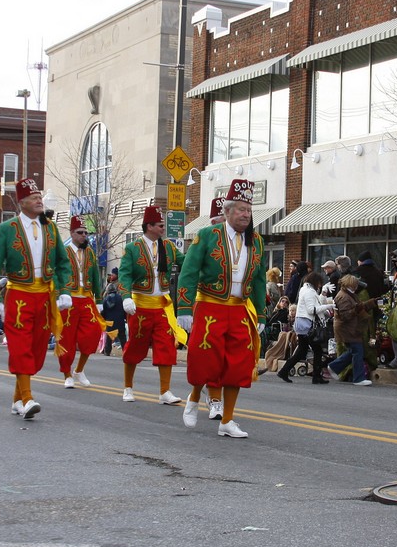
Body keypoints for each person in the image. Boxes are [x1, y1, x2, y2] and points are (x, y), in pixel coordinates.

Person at [176, 179, 267, 437]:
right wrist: (183, 308)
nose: (246, 215)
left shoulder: (256, 241)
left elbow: (259, 279)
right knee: (205, 360)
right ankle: (194, 397)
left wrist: (260, 313)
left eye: (249, 210)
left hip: (239, 309)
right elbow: (188, 272)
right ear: (226, 212)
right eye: (241, 209)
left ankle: (227, 420)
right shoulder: (207, 236)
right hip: (210, 306)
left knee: (238, 365)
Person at [0, 177, 73, 419]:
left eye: (39, 197)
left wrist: (64, 290)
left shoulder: (50, 228)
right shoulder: (6, 229)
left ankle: (16, 399)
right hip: (19, 295)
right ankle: (28, 398)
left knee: (37, 348)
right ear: (22, 202)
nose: (39, 200)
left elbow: (63, 263)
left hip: (44, 296)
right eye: (34, 198)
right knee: (20, 346)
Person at [118, 205, 187, 404]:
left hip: (163, 307)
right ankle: (128, 387)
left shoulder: (169, 247)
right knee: (135, 347)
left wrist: (201, 261)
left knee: (166, 347)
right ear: (149, 226)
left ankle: (165, 391)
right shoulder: (132, 249)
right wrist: (125, 297)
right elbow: (124, 274)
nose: (163, 228)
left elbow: (186, 262)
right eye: (160, 225)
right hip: (140, 306)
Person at [56, 215, 105, 389]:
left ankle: (79, 369)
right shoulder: (62, 251)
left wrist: (99, 299)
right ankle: (67, 374)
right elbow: (56, 275)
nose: (84, 235)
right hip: (68, 300)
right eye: (80, 232)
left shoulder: (90, 252)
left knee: (92, 335)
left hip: (86, 300)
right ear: (72, 233)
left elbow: (96, 278)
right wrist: (58, 296)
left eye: (86, 232)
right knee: (66, 339)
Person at [274, 271, 335, 384]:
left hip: (301, 323)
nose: (320, 285)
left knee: (302, 350)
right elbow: (312, 310)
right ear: (315, 282)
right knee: (316, 350)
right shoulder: (309, 292)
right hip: (306, 324)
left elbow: (314, 305)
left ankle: (284, 371)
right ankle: (316, 376)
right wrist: (328, 306)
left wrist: (323, 294)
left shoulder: (305, 290)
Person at [321, 274, 374, 385]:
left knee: (353, 351)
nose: (356, 286)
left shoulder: (346, 294)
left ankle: (334, 366)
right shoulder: (344, 297)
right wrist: (358, 309)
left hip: (347, 328)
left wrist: (368, 304)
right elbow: (345, 315)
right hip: (347, 328)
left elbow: (352, 310)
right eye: (355, 284)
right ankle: (358, 378)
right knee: (357, 351)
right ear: (351, 284)